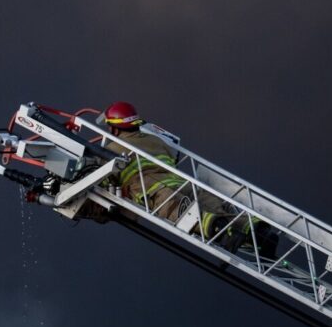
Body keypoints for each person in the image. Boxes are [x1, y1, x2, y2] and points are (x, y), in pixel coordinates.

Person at [99, 101, 277, 257]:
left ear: (115, 127)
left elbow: (104, 178)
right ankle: (258, 231)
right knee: (215, 206)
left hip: (155, 189)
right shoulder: (157, 141)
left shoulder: (112, 149)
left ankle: (221, 231)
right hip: (182, 183)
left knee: (181, 212)